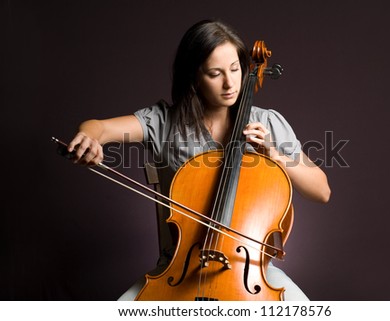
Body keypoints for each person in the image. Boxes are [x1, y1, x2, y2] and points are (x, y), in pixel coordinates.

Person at [67, 19, 331, 301]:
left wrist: (275, 156)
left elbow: (321, 191)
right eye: (215, 73)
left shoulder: (266, 122)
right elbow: (99, 127)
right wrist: (88, 138)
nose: (230, 83)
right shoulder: (163, 122)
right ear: (193, 76)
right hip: (178, 269)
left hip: (251, 271)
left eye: (235, 69)